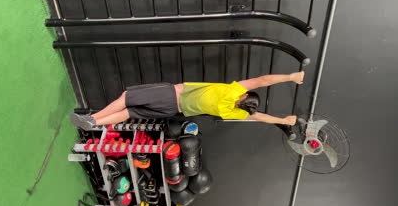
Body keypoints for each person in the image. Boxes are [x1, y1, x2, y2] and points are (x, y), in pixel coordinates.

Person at [70, 71, 304, 131]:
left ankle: (92, 119)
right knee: (131, 112)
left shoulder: (233, 92)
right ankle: (94, 124)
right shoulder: (236, 113)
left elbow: (263, 80)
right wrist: (282, 120)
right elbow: (261, 118)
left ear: (244, 96)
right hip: (174, 109)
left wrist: (291, 77)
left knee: (126, 98)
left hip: (171, 94)